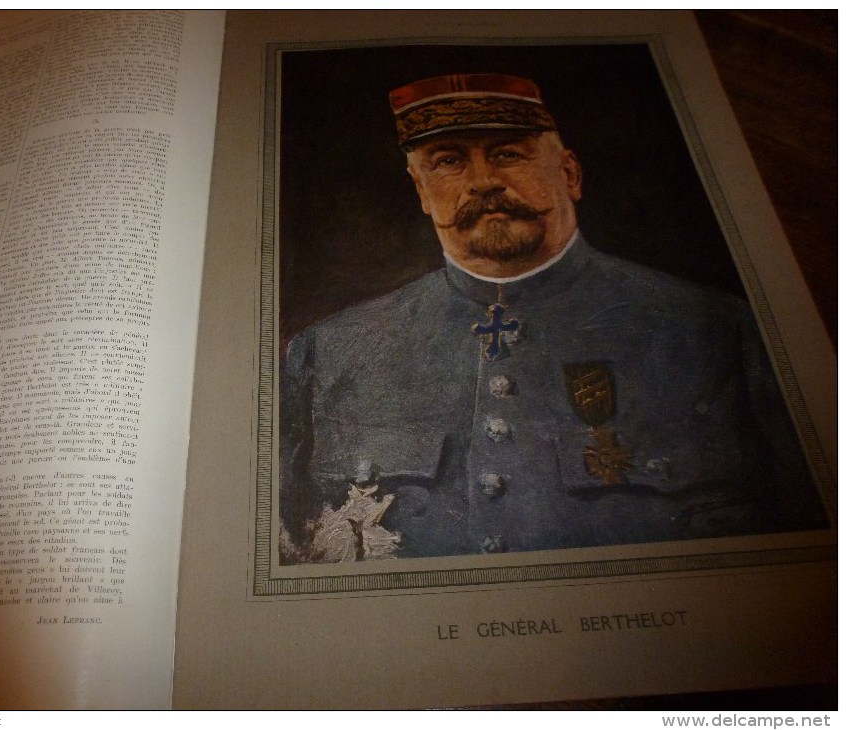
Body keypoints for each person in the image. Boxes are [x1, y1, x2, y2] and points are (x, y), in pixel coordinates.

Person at [279, 73, 826, 563]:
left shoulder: (718, 330)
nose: (482, 182)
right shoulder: (328, 353)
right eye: (448, 161)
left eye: (508, 154)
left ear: (569, 172)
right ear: (422, 191)